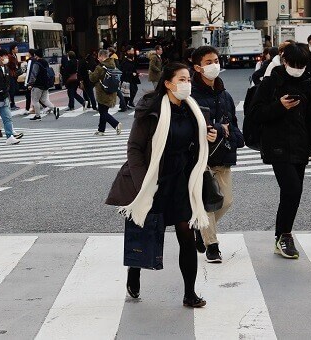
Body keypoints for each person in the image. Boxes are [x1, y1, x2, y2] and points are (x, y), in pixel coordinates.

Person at [105, 62, 218, 307]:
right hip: (153, 179)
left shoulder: (195, 110)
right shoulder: (150, 110)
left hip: (182, 182)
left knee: (186, 236)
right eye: (181, 79)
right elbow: (134, 148)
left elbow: (200, 146)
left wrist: (211, 136)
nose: (187, 84)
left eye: (188, 79)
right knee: (144, 231)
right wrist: (143, 182)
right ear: (167, 83)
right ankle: (134, 270)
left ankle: (190, 293)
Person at [247, 43, 311, 259]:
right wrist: (279, 106)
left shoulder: (307, 85)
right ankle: (285, 235)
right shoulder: (271, 82)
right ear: (284, 62)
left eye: (302, 64)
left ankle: (282, 235)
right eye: (294, 64)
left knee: (293, 192)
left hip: (300, 146)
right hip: (276, 145)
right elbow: (255, 113)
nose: (297, 68)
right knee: (292, 189)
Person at [190, 46, 243, 263]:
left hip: (223, 155)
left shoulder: (225, 95)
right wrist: (222, 129)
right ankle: (212, 245)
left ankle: (200, 227)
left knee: (226, 201)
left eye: (216, 60)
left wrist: (236, 137)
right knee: (207, 202)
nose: (214, 65)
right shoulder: (191, 95)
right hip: (200, 158)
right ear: (198, 67)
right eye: (209, 62)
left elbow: (234, 125)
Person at [90, 49, 122, 136]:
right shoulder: (113, 65)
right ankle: (101, 130)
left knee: (102, 112)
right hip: (111, 91)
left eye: (98, 57)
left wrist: (90, 73)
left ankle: (116, 124)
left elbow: (93, 78)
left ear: (101, 56)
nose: (98, 59)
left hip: (102, 92)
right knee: (103, 111)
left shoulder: (100, 67)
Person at [26, 52, 60, 121]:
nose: (34, 57)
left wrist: (30, 84)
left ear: (37, 56)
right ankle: (54, 108)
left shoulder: (36, 64)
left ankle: (38, 116)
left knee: (35, 100)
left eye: (35, 55)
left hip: (38, 84)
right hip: (45, 84)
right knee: (44, 100)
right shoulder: (45, 62)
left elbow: (33, 74)